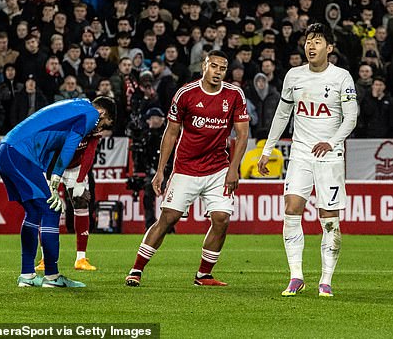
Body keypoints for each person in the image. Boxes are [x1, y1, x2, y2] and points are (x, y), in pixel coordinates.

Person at [125, 50, 249, 287]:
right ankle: (136, 269)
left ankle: (203, 275)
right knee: (167, 219)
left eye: (222, 68)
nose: (218, 72)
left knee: (222, 219)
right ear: (204, 66)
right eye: (214, 66)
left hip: (218, 169)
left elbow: (242, 135)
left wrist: (234, 168)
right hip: (186, 169)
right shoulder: (185, 94)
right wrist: (161, 170)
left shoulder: (234, 95)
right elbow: (171, 132)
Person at [257, 23, 358, 298]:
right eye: (308, 42)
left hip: (330, 155)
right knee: (291, 210)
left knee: (329, 220)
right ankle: (296, 275)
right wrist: (268, 149)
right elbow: (281, 115)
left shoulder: (342, 77)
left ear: (330, 48)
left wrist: (332, 141)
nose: (310, 46)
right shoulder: (294, 76)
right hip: (301, 153)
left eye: (317, 42)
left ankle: (325, 280)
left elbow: (351, 116)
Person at [0, 97, 115, 288]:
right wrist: (57, 174)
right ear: (103, 113)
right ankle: (52, 276)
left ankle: (27, 275)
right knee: (52, 209)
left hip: (5, 151)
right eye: (105, 123)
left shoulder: (76, 105)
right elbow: (72, 142)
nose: (100, 128)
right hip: (19, 153)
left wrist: (49, 176)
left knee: (34, 212)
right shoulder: (91, 113)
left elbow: (51, 145)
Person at [34, 130, 104, 272]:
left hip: (75, 167)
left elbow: (89, 154)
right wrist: (48, 178)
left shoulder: (94, 128)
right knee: (47, 207)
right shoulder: (67, 125)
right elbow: (48, 149)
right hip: (51, 166)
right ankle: (45, 259)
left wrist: (80, 180)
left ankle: (81, 259)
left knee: (82, 204)